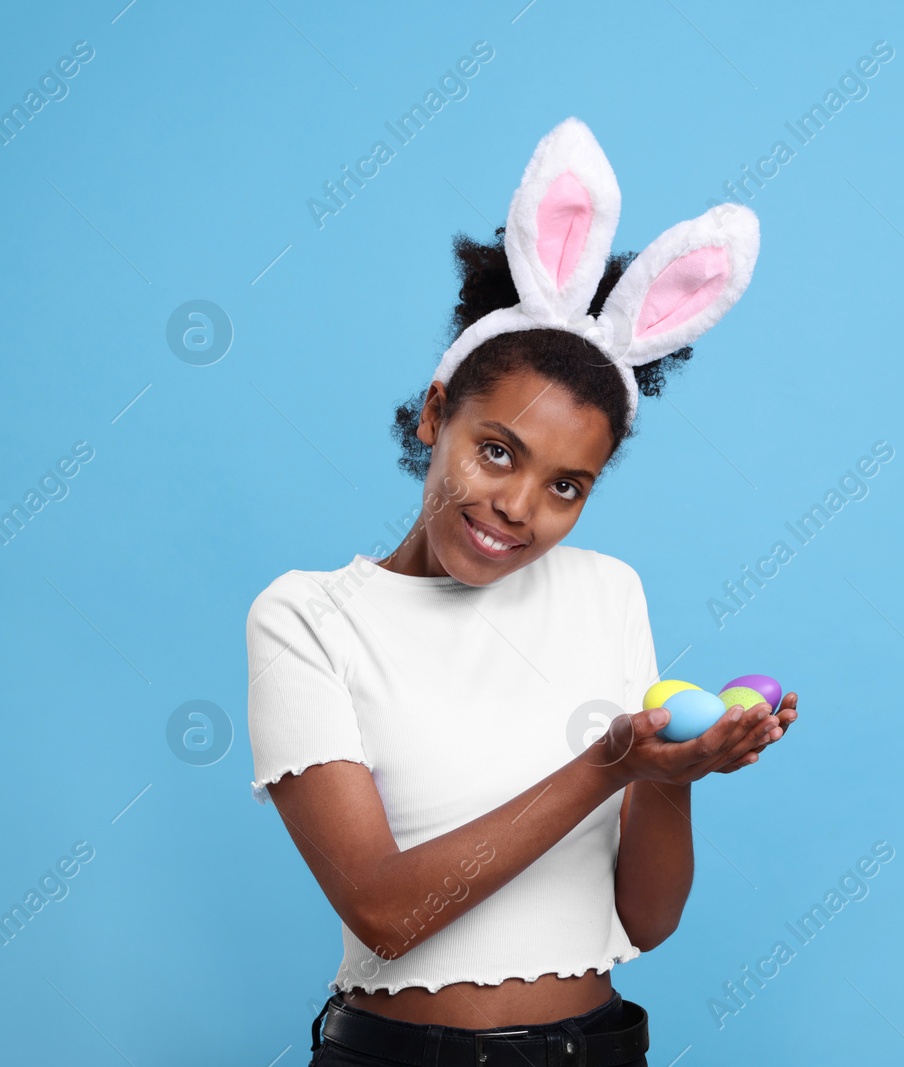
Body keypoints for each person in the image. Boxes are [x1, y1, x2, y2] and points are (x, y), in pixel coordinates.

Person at [244, 118, 790, 1067]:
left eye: (566, 485)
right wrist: (611, 762)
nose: (518, 508)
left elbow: (648, 920)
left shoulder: (607, 592)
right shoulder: (308, 619)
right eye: (498, 451)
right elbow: (385, 911)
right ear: (435, 413)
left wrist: (672, 777)